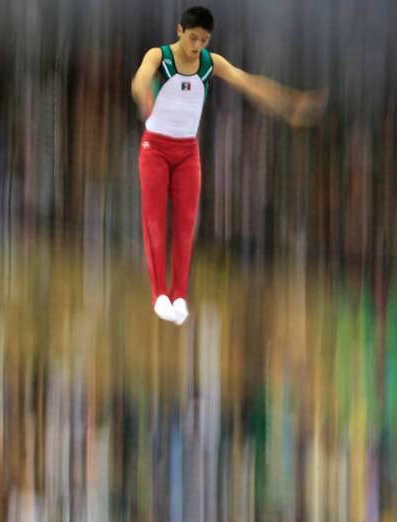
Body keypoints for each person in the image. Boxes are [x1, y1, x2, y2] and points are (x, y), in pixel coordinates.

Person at [130, 5, 327, 325]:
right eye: (192, 38)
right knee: (155, 220)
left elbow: (251, 84)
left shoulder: (210, 63)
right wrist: (143, 96)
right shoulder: (160, 56)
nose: (196, 47)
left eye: (203, 41)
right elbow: (139, 78)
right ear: (180, 31)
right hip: (155, 148)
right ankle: (159, 295)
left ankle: (178, 294)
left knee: (185, 225)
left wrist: (290, 104)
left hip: (187, 153)